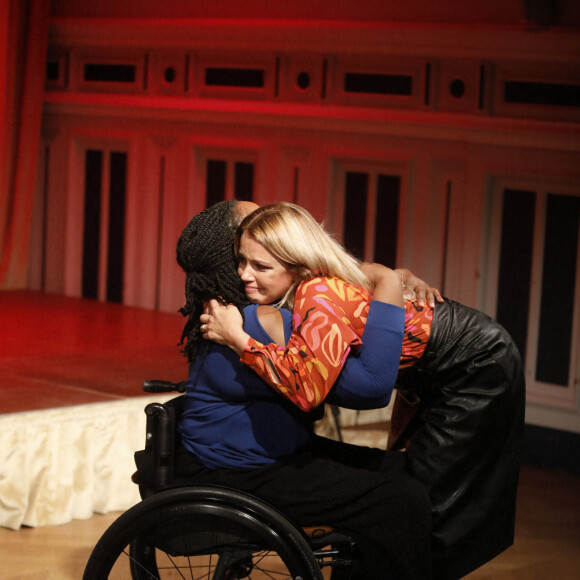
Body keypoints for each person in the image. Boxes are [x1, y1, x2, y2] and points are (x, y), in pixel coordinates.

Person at [204, 201, 526, 580]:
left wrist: (237, 338)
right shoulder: (305, 286)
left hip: (476, 367)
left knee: (427, 511)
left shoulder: (316, 295)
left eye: (260, 267)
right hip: (435, 371)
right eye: (242, 261)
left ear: (296, 263)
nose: (245, 274)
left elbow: (311, 389)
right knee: (400, 506)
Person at [174, 199, 434, 579]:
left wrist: (380, 277)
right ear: (237, 250)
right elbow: (371, 389)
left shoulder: (227, 312)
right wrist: (386, 287)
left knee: (399, 471)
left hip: (252, 454)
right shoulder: (261, 320)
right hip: (239, 469)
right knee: (399, 498)